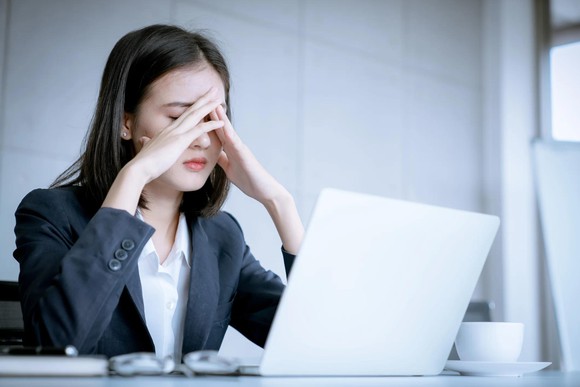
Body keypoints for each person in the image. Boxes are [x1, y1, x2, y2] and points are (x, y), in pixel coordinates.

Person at [13, 24, 304, 362]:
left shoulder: (223, 236)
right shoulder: (52, 213)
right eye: (182, 118)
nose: (203, 139)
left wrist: (279, 202)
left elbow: (314, 342)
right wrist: (135, 175)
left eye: (213, 119)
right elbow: (57, 342)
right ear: (126, 122)